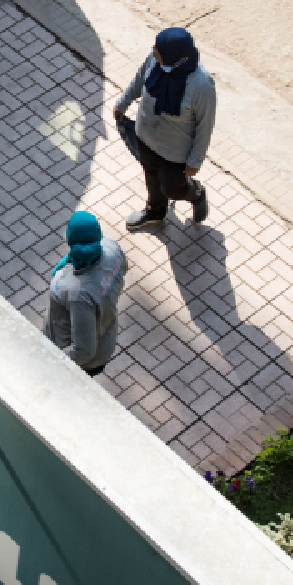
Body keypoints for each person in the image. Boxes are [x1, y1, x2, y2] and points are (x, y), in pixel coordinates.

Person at [113, 27, 217, 231]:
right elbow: (139, 79)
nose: (153, 50)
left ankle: (196, 193)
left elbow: (205, 126)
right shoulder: (156, 61)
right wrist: (122, 103)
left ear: (174, 54)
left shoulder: (202, 86)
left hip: (174, 152)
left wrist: (195, 161)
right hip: (146, 136)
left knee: (173, 188)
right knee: (151, 176)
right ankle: (155, 212)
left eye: (159, 48)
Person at [46, 211, 127, 375]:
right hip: (105, 337)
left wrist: (54, 362)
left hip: (83, 363)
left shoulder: (78, 293)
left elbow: (84, 351)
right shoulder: (112, 248)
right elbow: (122, 268)